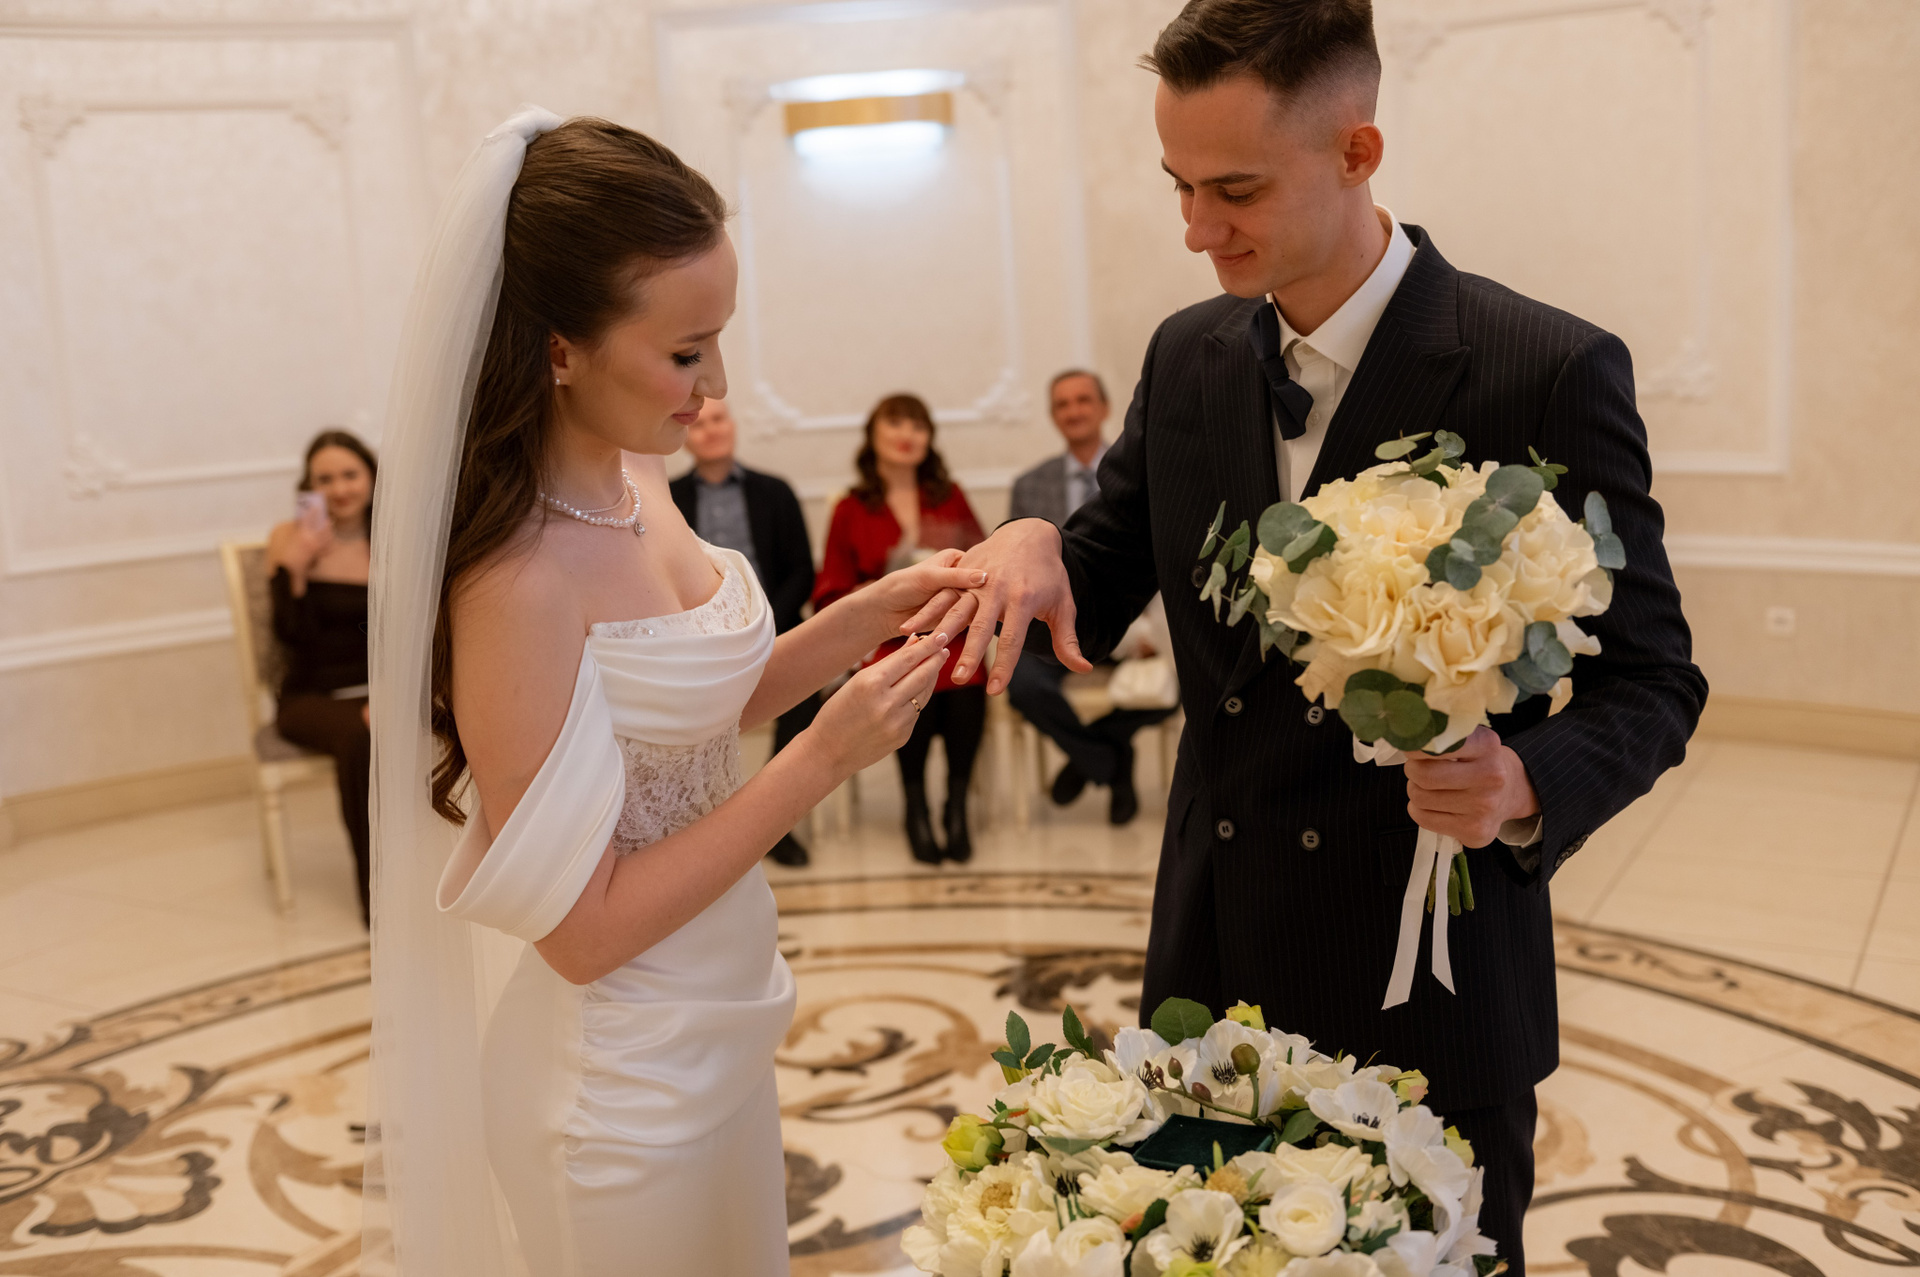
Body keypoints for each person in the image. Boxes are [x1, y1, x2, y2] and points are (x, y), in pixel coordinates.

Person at [914, 3, 1708, 1271]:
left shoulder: (1540, 365)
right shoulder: (1187, 354)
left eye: (1235, 189)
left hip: (1425, 973)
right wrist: (1030, 540)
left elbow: (1655, 680)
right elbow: (1104, 563)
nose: (1197, 228)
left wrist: (1520, 781)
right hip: (1215, 954)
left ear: (1357, 150)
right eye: (1178, 186)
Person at [362, 112, 980, 1276]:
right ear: (560, 350)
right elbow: (583, 932)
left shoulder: (637, 473)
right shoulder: (517, 582)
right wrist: (821, 758)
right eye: (687, 351)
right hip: (615, 1092)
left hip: (725, 1020)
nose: (716, 386)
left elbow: (693, 706)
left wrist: (864, 616)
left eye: (719, 341)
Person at [814, 395, 987, 866]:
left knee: (964, 676)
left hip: (949, 631)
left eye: (918, 425)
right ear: (873, 434)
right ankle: (916, 807)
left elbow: (983, 564)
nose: (908, 434)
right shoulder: (850, 508)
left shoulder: (949, 496)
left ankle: (956, 807)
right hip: (885, 640)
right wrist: (876, 592)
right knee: (908, 678)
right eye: (896, 423)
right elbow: (830, 590)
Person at [1007, 370, 1176, 825]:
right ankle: (1109, 762)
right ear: (1053, 416)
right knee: (1022, 687)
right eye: (1062, 404)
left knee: (1176, 689)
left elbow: (1164, 553)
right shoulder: (1029, 485)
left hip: (1133, 621)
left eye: (1083, 400)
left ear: (1103, 408)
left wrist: (1149, 628)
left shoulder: (1142, 472)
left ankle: (1092, 757)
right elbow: (1018, 569)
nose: (1074, 411)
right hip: (1051, 629)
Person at [669, 397, 817, 866]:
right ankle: (699, 824)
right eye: (701, 424)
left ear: (732, 425)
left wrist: (764, 622)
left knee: (804, 699)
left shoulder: (775, 491)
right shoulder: (667, 500)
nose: (712, 430)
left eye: (720, 419)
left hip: (776, 629)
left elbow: (802, 572)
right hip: (699, 640)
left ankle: (773, 822)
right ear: (685, 435)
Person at [265, 428, 376, 923]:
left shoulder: (394, 535)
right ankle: (378, 900)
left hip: (380, 691)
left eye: (350, 474)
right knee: (361, 738)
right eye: (325, 479)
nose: (340, 489)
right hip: (313, 695)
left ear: (371, 477)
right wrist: (295, 568)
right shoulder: (288, 537)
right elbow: (290, 637)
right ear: (309, 487)